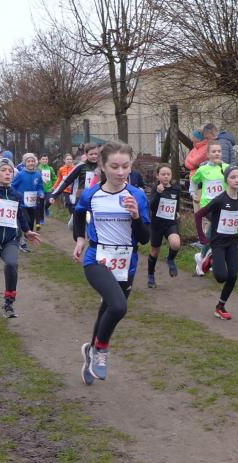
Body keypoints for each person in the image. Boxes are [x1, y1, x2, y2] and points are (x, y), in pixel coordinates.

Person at [72, 141, 150, 385]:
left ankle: (90, 350)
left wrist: (136, 216)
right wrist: (80, 238)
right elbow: (78, 213)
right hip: (97, 259)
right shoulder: (91, 194)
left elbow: (145, 239)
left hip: (126, 262)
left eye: (125, 166)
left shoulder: (137, 196)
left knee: (108, 307)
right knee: (118, 307)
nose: (120, 172)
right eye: (114, 166)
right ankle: (100, 350)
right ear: (103, 166)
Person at [194, 166, 238, 319]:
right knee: (221, 277)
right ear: (226, 180)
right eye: (233, 177)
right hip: (218, 243)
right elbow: (198, 215)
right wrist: (202, 238)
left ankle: (220, 307)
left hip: (232, 243)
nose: (237, 180)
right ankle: (211, 257)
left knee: (233, 275)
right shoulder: (220, 200)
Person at [0, 158, 42, 318]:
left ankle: (9, 302)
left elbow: (20, 215)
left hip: (11, 239)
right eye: (3, 170)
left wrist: (27, 231)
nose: (7, 173)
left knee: (12, 264)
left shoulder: (15, 194)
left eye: (10, 171)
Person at [191, 139, 229, 276]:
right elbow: (193, 181)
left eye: (219, 151)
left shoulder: (226, 168)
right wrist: (193, 193)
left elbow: (234, 181)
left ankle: (204, 257)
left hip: (223, 205)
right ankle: (210, 259)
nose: (217, 153)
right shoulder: (203, 169)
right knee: (217, 228)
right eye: (214, 151)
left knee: (216, 231)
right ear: (208, 154)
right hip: (207, 205)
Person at [147, 164, 181, 288]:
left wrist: (177, 212)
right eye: (163, 174)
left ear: (171, 176)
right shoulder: (155, 188)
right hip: (157, 224)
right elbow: (151, 206)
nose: (166, 176)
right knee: (155, 252)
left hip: (170, 223)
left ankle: (170, 259)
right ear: (158, 176)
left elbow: (177, 203)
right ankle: (151, 275)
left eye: (168, 174)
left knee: (175, 243)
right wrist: (158, 193)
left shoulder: (176, 189)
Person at [12, 153, 45, 249]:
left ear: (35, 162)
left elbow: (40, 186)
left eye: (32, 161)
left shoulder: (38, 174)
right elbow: (13, 186)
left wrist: (41, 193)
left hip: (32, 204)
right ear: (24, 163)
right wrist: (17, 195)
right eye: (28, 161)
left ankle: (24, 239)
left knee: (31, 223)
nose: (31, 163)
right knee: (26, 220)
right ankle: (21, 240)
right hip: (22, 204)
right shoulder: (20, 174)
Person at [39, 154, 56, 223]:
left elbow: (54, 178)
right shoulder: (38, 169)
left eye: (46, 159)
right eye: (43, 159)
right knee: (41, 205)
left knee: (50, 201)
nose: (45, 160)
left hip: (49, 189)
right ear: (40, 160)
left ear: (48, 160)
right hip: (40, 189)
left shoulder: (50, 168)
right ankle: (41, 219)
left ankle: (46, 208)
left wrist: (54, 186)